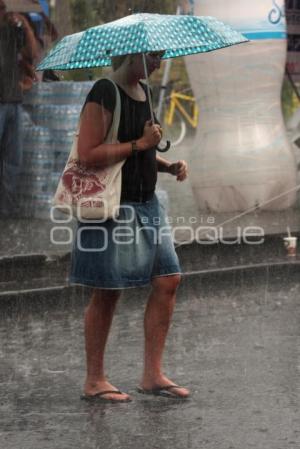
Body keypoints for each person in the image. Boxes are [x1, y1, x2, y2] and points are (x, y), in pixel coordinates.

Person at [71, 51, 190, 402]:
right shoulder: (105, 91)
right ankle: (95, 380)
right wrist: (141, 144)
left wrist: (166, 165)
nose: (159, 62)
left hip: (148, 202)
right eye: (154, 56)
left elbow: (141, 150)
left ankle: (152, 374)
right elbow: (88, 152)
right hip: (114, 206)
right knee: (108, 290)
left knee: (168, 279)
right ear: (131, 54)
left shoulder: (145, 90)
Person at [0, 0, 37, 217]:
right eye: (1, 8)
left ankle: (7, 210)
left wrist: (24, 24)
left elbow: (31, 54)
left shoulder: (12, 32)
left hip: (13, 103)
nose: (5, 12)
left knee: (13, 161)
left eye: (6, 8)